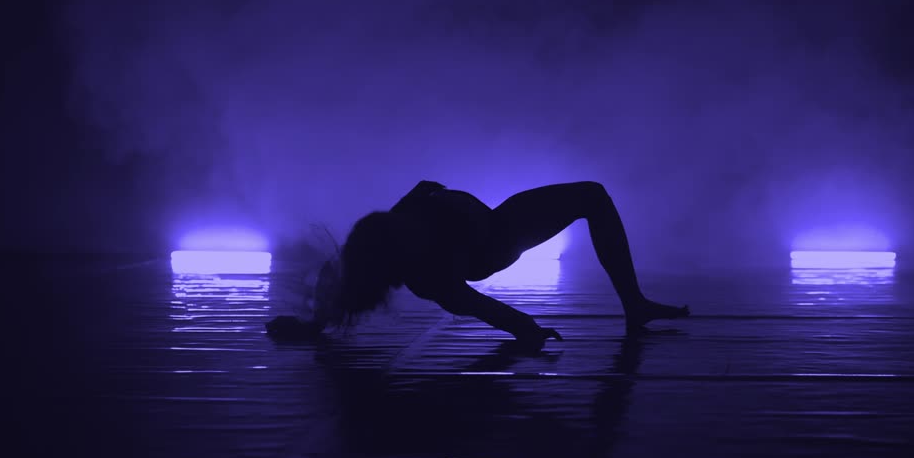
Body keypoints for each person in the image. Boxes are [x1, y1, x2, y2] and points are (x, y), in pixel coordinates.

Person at [269, 181, 688, 347]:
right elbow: (486, 309)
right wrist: (530, 330)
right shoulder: (432, 279)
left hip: (486, 218)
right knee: (592, 196)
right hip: (498, 237)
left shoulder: (369, 242)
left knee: (593, 195)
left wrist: (309, 325)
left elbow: (423, 189)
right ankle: (634, 305)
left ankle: (634, 304)